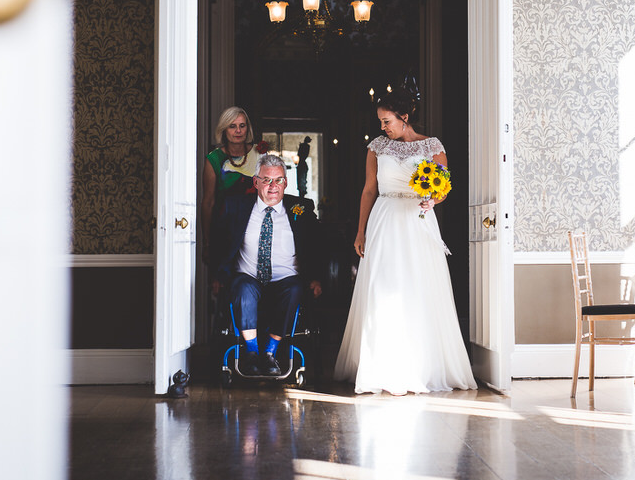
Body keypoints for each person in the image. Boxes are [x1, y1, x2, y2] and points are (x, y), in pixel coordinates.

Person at [334, 89, 476, 395]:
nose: (383, 127)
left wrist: (433, 200)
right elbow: (369, 190)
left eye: (387, 121)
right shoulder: (376, 147)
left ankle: (420, 366)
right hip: (385, 219)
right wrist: (360, 231)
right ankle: (379, 365)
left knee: (419, 288)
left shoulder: (433, 146)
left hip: (417, 222)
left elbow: (443, 187)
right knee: (382, 287)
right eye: (381, 122)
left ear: (404, 118)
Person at [209, 154, 323, 376]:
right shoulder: (236, 206)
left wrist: (316, 278)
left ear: (286, 182)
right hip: (249, 276)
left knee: (295, 289)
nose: (273, 186)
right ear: (256, 182)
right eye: (267, 180)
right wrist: (217, 275)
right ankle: (251, 353)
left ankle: (269, 353)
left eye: (279, 180)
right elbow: (219, 243)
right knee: (242, 288)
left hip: (286, 279)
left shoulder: (302, 208)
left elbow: (315, 247)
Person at [202, 106, 262, 244]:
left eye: (242, 125)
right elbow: (208, 203)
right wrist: (206, 241)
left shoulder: (259, 153)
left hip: (254, 228)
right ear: (224, 129)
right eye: (232, 126)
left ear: (248, 128)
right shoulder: (214, 159)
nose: (238, 131)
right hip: (224, 231)